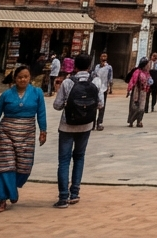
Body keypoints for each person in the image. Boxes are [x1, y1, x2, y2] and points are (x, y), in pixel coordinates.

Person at [0, 64, 47, 213]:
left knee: (24, 166)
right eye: (20, 77)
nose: (23, 79)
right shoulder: (6, 95)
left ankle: (12, 189)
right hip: (6, 133)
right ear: (15, 78)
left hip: (27, 133)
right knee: (4, 165)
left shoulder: (37, 93)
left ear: (30, 78)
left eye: (26, 77)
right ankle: (3, 200)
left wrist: (43, 130)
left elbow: (41, 113)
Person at [52, 52, 102, 208]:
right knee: (79, 157)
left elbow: (57, 105)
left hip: (67, 125)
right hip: (86, 125)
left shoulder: (68, 82)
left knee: (64, 160)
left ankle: (63, 197)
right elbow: (100, 103)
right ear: (89, 66)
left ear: (75, 65)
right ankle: (74, 193)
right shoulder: (96, 81)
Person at [92, 52, 114, 131]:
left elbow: (110, 78)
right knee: (94, 105)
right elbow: (93, 75)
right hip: (96, 88)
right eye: (102, 56)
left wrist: (110, 88)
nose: (103, 57)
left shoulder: (109, 67)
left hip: (104, 88)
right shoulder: (97, 66)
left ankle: (99, 122)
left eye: (105, 56)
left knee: (102, 106)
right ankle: (93, 123)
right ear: (100, 57)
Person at [126, 59, 151, 128]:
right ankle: (131, 121)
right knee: (134, 107)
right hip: (136, 91)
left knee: (141, 108)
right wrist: (129, 89)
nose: (148, 66)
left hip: (143, 92)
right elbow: (132, 81)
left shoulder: (147, 73)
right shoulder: (137, 72)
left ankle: (139, 121)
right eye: (147, 65)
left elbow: (149, 82)